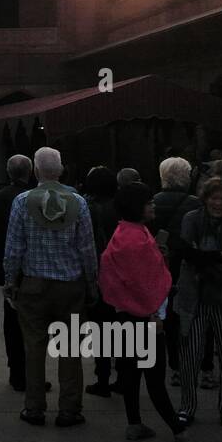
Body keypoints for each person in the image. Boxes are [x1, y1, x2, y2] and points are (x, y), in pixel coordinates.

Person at [99, 183, 203, 442]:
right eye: (148, 202)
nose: (152, 205)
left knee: (131, 373)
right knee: (155, 379)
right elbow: (145, 284)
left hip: (125, 316)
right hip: (144, 317)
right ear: (137, 207)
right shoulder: (138, 239)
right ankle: (178, 431)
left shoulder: (124, 233)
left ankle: (135, 423)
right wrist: (154, 314)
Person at [3, 146, 98, 427]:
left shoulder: (21, 202)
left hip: (34, 285)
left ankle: (34, 408)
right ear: (61, 170)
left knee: (33, 348)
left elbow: (14, 248)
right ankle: (69, 409)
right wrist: (92, 282)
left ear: (35, 170)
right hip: (70, 285)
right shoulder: (78, 203)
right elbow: (87, 248)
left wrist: (10, 280)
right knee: (69, 348)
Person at [175, 176, 222, 428]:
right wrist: (219, 258)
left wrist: (206, 262)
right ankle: (187, 405)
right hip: (194, 298)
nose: (218, 203)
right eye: (214, 197)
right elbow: (188, 255)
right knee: (190, 356)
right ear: (205, 198)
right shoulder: (191, 220)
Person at [0, 154, 37, 391]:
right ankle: (31, 372)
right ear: (30, 171)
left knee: (11, 321)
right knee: (33, 323)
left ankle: (16, 370)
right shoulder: (33, 199)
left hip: (8, 265)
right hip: (32, 266)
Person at [151, 156, 201, 384]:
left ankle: (172, 362)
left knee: (167, 315)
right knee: (187, 314)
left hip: (161, 264)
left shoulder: (153, 202)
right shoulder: (195, 203)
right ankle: (188, 360)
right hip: (187, 263)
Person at [82, 166, 120, 397]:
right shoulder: (120, 207)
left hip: (98, 273)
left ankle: (103, 377)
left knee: (100, 330)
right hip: (120, 273)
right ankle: (124, 377)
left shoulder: (88, 209)